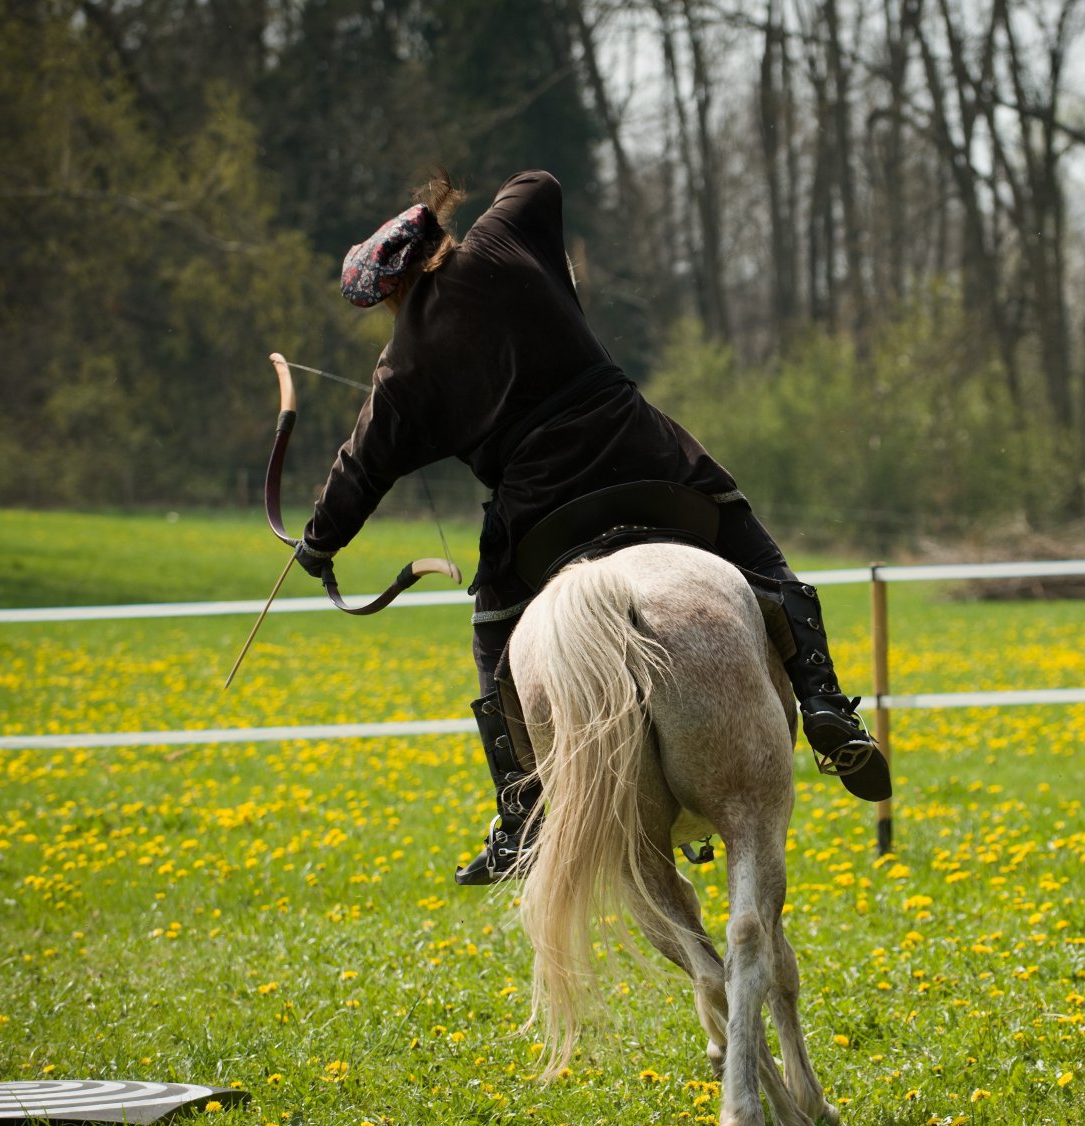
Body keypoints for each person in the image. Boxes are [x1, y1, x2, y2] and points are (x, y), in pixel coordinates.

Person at [292, 169, 889, 886]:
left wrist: (319, 543)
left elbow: (359, 469)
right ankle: (826, 702)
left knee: (495, 640)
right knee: (757, 557)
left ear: (389, 288)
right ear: (437, 242)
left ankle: (522, 810)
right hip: (646, 454)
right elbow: (541, 181)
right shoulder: (503, 239)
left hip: (543, 506)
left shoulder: (404, 366)